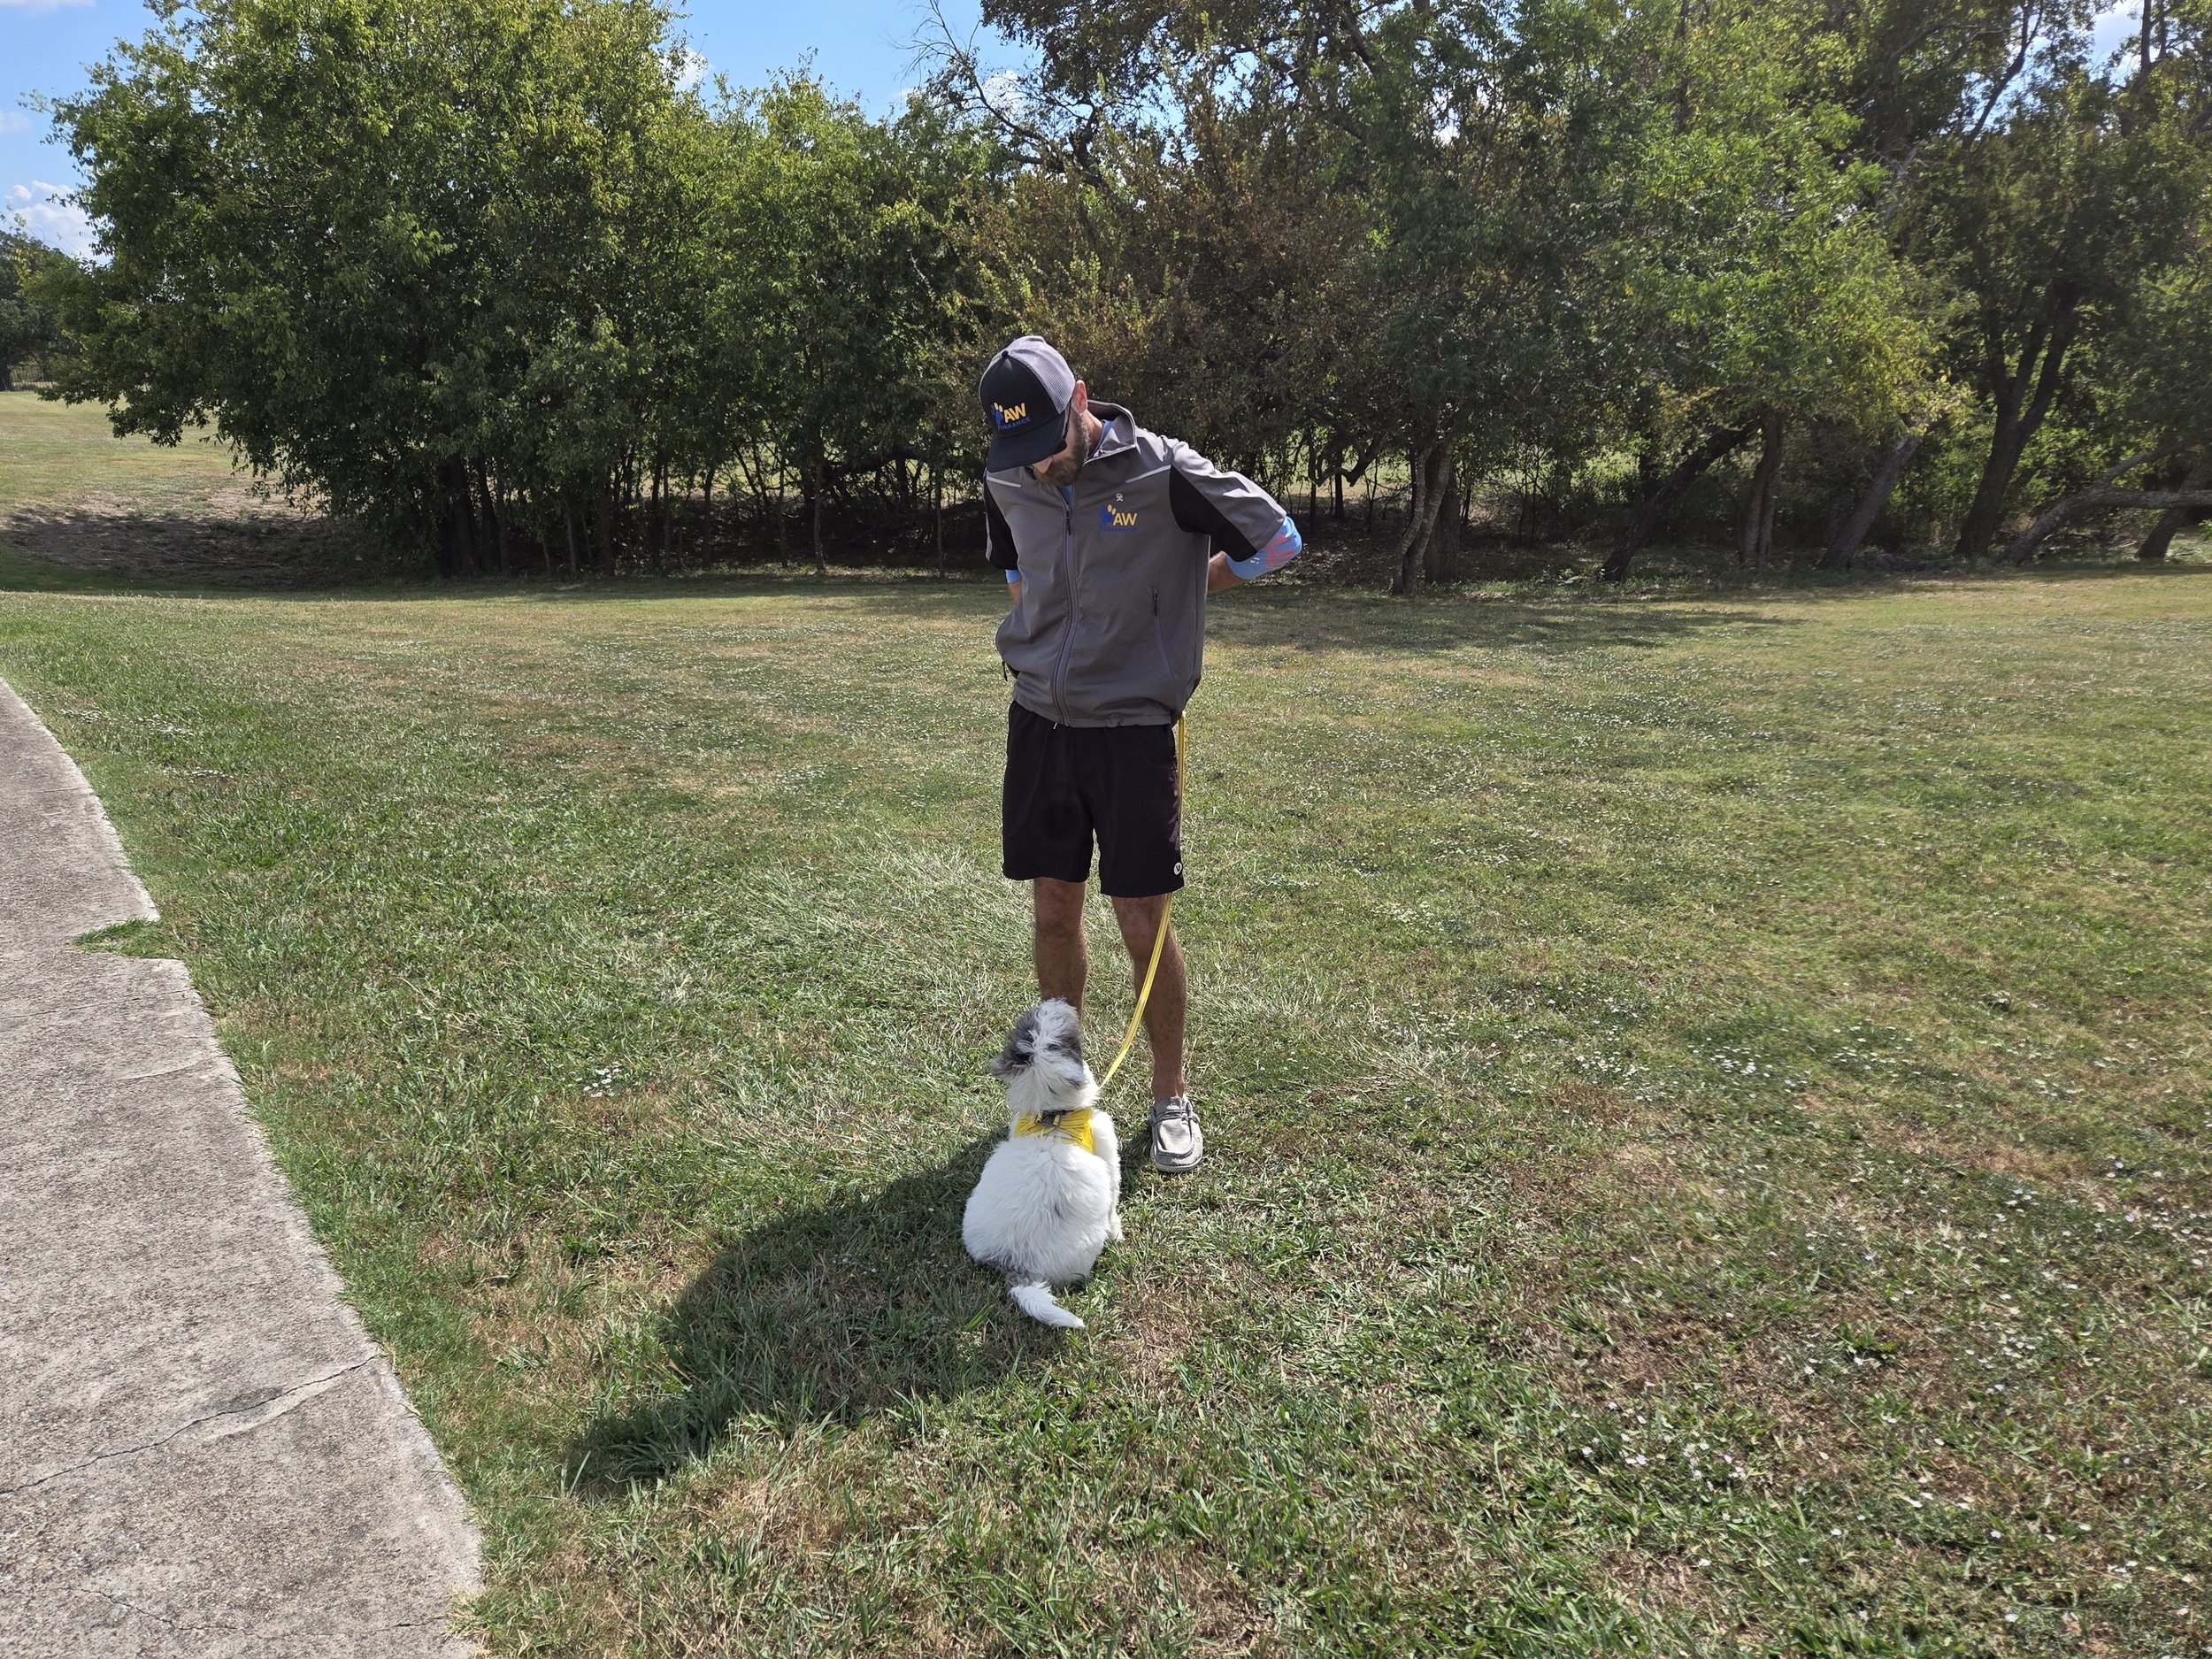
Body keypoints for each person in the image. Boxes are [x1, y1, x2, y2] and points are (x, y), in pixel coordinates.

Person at [978, 334, 1303, 1172]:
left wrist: (1185, 587)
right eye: (1021, 453)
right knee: (1053, 905)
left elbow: (1280, 541)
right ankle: (1059, 1088)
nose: (1039, 467)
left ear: (1080, 400)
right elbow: (1018, 568)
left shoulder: (1165, 471)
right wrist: (1042, 623)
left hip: (1133, 729)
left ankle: (1170, 1097)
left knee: (1140, 919)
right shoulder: (1010, 472)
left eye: (1050, 444)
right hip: (1039, 721)